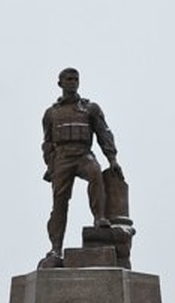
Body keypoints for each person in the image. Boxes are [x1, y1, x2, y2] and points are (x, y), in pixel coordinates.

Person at [38, 67, 121, 266]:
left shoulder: (90, 108)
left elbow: (104, 134)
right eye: (68, 79)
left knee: (95, 174)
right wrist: (51, 163)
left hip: (83, 154)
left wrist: (112, 159)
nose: (73, 82)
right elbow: (47, 142)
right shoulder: (51, 113)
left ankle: (99, 217)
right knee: (59, 203)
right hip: (62, 158)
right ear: (60, 83)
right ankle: (55, 247)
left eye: (76, 79)